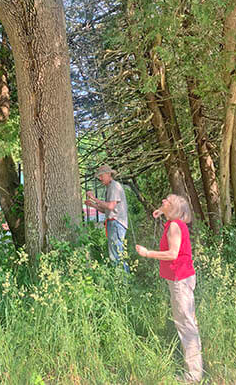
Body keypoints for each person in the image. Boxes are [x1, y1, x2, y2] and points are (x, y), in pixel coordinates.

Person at [136, 194, 203, 383]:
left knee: (186, 324)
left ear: (173, 208)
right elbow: (166, 211)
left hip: (180, 280)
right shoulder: (174, 222)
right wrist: (161, 211)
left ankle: (193, 375)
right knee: (186, 321)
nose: (162, 201)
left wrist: (147, 253)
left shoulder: (174, 226)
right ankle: (194, 370)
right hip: (181, 278)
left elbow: (173, 254)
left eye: (166, 201)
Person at [85, 164, 129, 271]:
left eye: (101, 176)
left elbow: (110, 206)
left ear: (109, 174)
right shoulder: (109, 187)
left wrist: (94, 198)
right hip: (113, 223)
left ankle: (122, 281)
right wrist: (93, 205)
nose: (100, 178)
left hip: (116, 223)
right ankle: (120, 280)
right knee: (115, 253)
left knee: (117, 254)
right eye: (99, 177)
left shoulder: (114, 186)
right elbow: (106, 210)